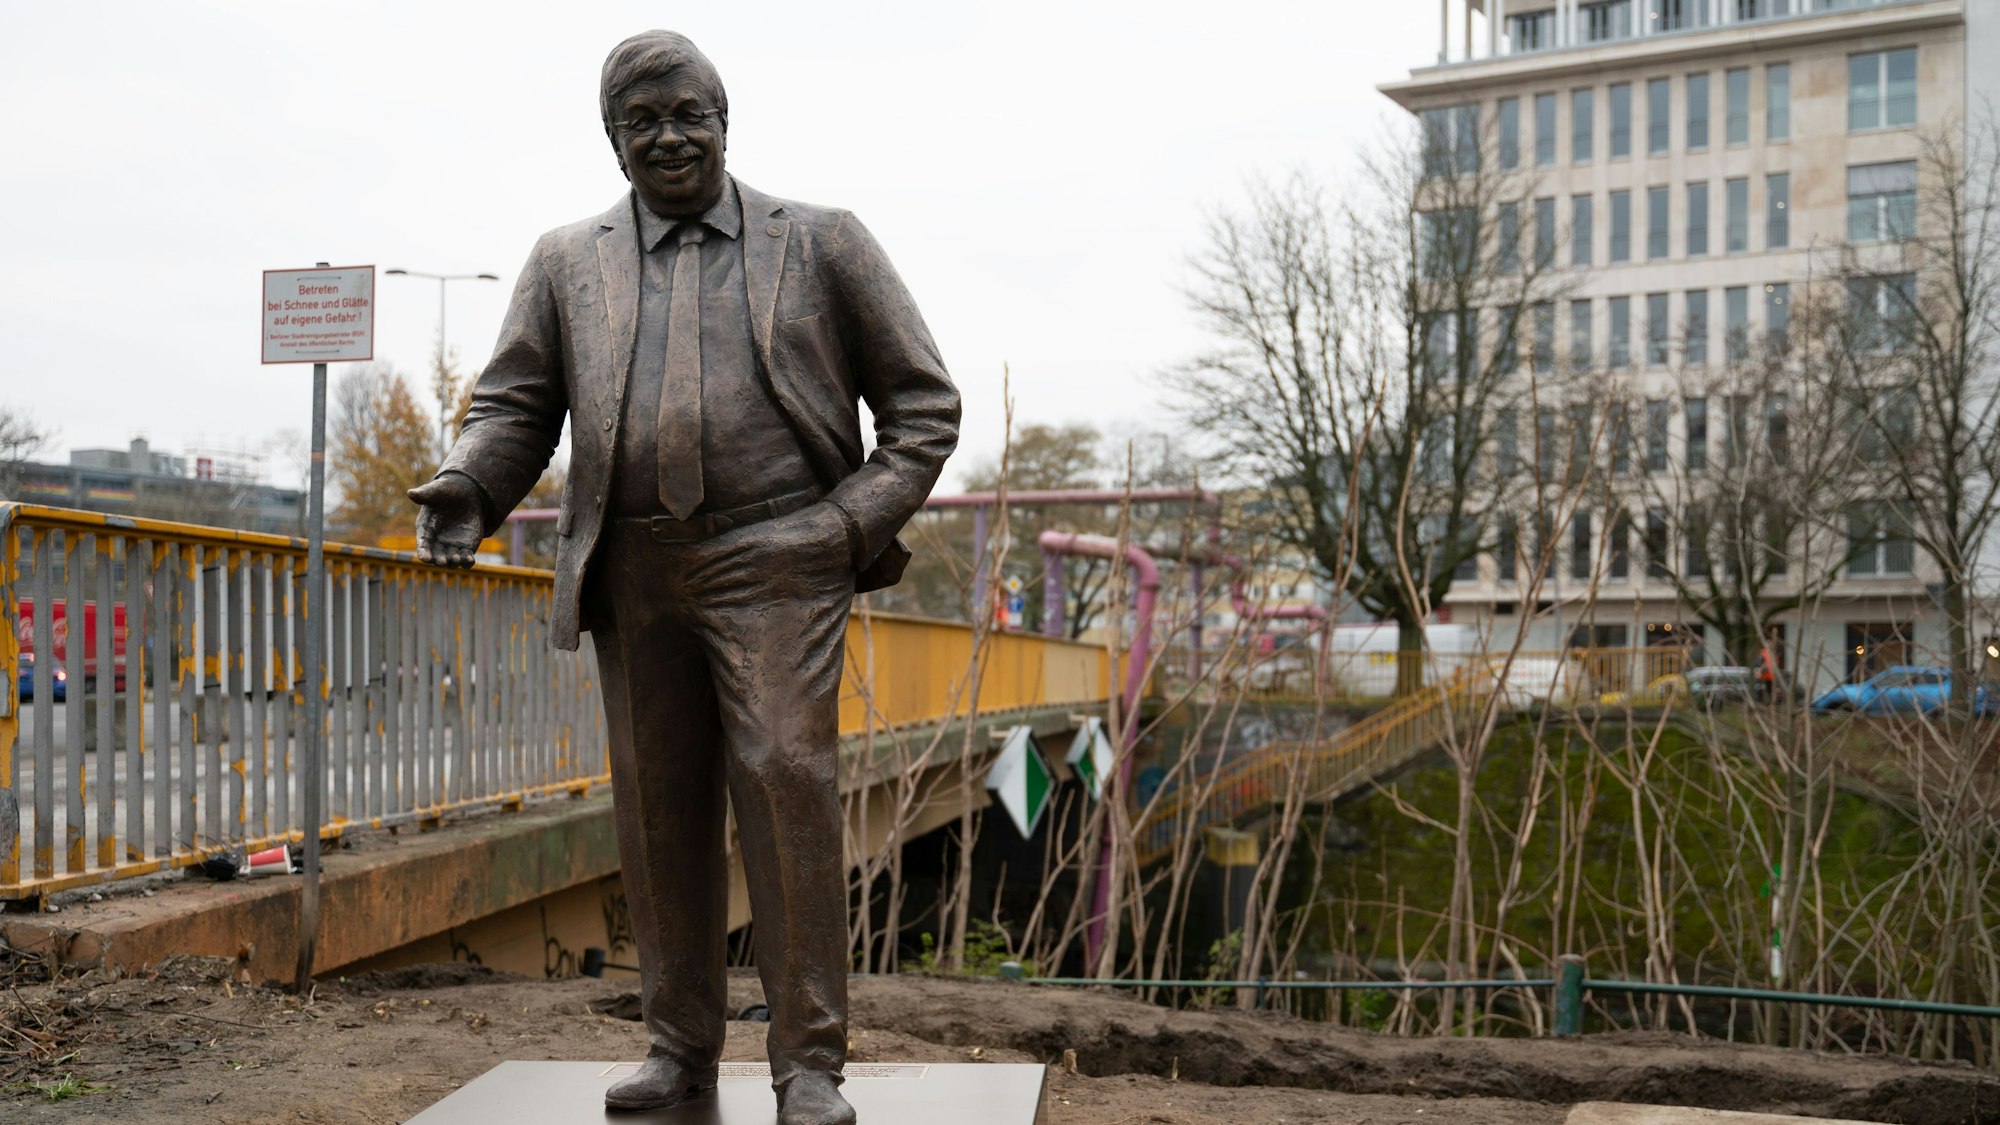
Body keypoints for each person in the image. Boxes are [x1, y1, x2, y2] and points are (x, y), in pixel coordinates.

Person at [407, 30, 959, 1123]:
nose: (667, 138)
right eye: (640, 122)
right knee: (658, 812)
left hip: (778, 560)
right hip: (636, 572)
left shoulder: (822, 242)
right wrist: (472, 484)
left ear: (723, 117)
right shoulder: (567, 261)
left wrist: (837, 531)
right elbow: (517, 403)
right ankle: (678, 1051)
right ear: (611, 141)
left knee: (783, 782)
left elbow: (923, 409)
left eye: (685, 115)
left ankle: (808, 1067)